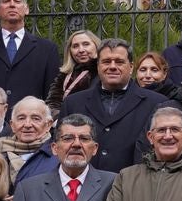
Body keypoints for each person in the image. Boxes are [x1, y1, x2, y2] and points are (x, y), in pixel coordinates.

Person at [62, 39, 165, 173]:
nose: (112, 66)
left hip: (134, 187)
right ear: (98, 66)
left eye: (119, 62)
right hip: (84, 187)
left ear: (131, 67)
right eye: (106, 61)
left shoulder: (157, 104)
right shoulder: (73, 103)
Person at [0, 96, 59, 186]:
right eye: (21, 118)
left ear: (48, 125)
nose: (27, 124)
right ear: (12, 125)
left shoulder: (58, 154)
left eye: (36, 119)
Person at [49, 29, 103, 113]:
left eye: (86, 44)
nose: (81, 50)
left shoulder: (102, 72)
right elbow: (52, 103)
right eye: (75, 46)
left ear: (97, 46)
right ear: (70, 51)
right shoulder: (64, 74)